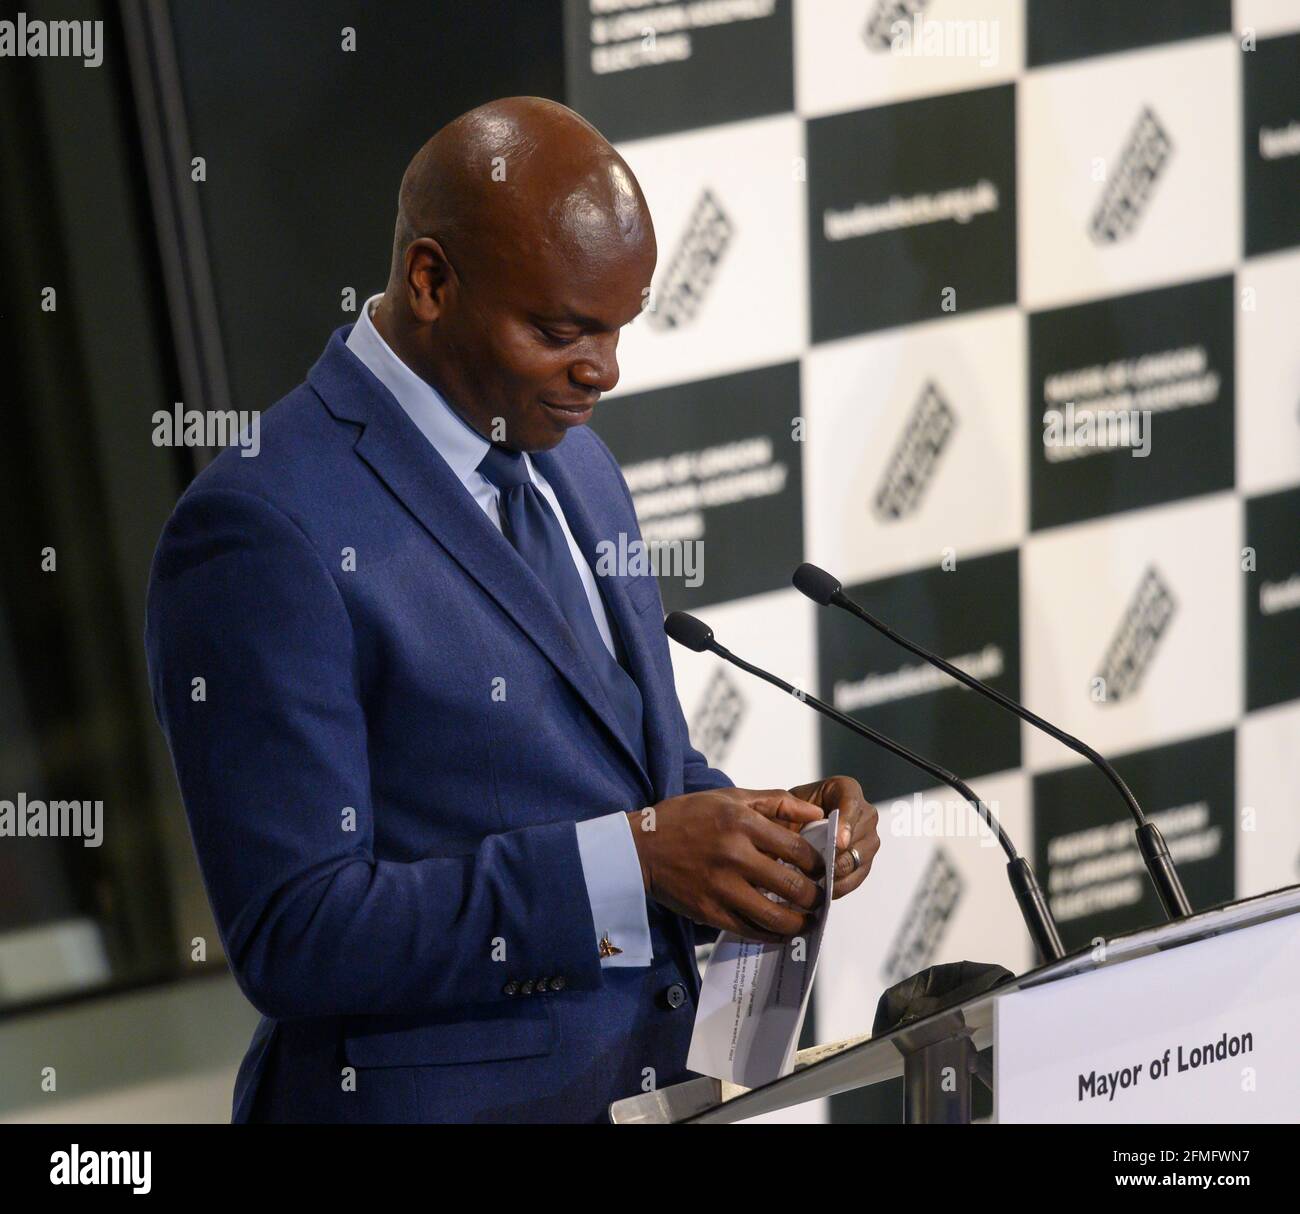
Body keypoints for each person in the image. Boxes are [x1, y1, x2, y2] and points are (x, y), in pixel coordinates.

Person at [145, 96, 880, 1123]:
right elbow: (297, 931)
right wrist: (633, 860)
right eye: (561, 330)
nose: (603, 372)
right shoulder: (260, 526)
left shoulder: (569, 455)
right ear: (431, 280)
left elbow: (608, 770)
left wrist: (753, 830)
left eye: (620, 329)